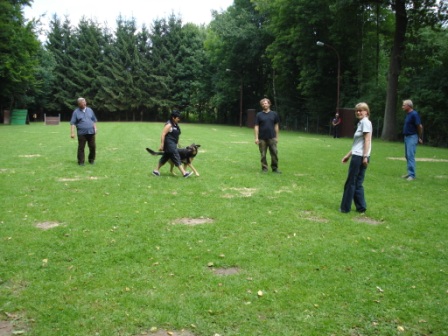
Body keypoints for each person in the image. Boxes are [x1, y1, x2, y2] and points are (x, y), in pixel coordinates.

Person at [340, 102, 372, 213]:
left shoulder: (365, 123)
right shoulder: (362, 123)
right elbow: (359, 144)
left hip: (360, 157)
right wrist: (348, 155)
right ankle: (361, 207)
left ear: (366, 112)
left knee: (351, 182)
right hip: (359, 155)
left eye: (361, 110)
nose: (358, 112)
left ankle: (345, 208)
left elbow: (367, 140)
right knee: (358, 182)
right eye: (357, 110)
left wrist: (365, 157)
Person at [152, 111, 192, 178]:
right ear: (173, 118)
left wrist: (178, 143)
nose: (179, 119)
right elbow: (163, 134)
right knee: (176, 156)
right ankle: (184, 173)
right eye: (178, 118)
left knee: (165, 157)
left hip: (173, 143)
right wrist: (162, 144)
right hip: (169, 144)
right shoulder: (169, 125)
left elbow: (176, 134)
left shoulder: (175, 125)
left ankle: (155, 171)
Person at [254, 98, 281, 173]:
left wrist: (276, 137)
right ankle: (264, 169)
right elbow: (256, 126)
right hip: (262, 138)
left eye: (265, 103)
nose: (264, 105)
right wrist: (256, 138)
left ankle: (275, 168)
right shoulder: (259, 115)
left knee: (274, 153)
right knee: (263, 155)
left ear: (269, 104)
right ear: (261, 105)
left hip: (272, 137)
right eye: (262, 104)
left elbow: (276, 126)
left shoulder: (274, 114)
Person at [70, 98, 97, 166]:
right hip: (82, 133)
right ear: (79, 104)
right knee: (81, 148)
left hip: (91, 132)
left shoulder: (90, 110)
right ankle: (81, 161)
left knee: (93, 147)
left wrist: (95, 128)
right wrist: (72, 133)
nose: (84, 103)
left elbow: (93, 120)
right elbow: (73, 123)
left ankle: (91, 160)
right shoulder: (76, 112)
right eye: (82, 102)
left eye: (85, 102)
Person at [402, 100, 423, 181]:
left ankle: (412, 175)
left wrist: (419, 137)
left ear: (408, 106)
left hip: (412, 137)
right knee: (407, 156)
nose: (402, 107)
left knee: (410, 156)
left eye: (404, 105)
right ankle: (409, 173)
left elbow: (420, 126)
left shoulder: (414, 114)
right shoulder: (408, 115)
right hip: (407, 137)